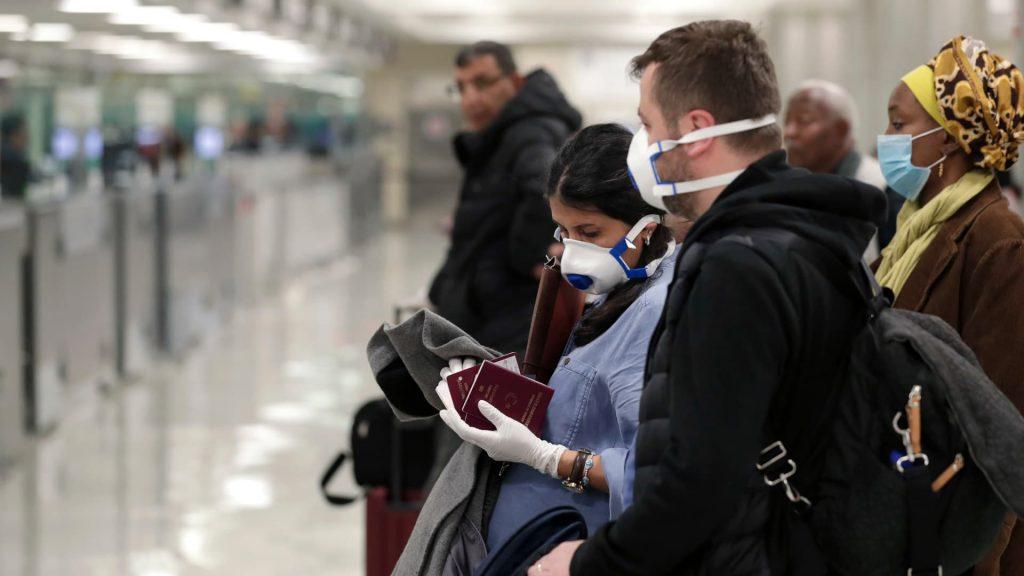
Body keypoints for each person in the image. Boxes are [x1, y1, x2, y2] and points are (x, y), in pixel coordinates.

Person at [532, 20, 886, 575]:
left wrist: (587, 564)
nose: (641, 145)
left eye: (648, 124)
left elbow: (699, 482)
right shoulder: (809, 234)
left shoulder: (736, 267)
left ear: (695, 132)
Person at [434, 123, 677, 552]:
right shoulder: (616, 291)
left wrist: (544, 456)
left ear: (647, 228)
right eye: (563, 232)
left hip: (572, 545)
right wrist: (497, 392)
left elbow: (651, 474)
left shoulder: (652, 314)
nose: (572, 250)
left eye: (590, 232)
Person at [874, 35, 1024, 575]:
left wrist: (976, 559)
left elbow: (1001, 420)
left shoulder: (998, 242)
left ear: (948, 138)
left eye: (899, 125)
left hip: (958, 531)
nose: (886, 140)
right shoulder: (913, 231)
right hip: (910, 503)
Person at [428, 41, 582, 353]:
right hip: (488, 309)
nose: (471, 98)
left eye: (482, 83)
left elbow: (545, 185)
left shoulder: (529, 132)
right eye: (461, 87)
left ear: (514, 82)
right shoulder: (502, 135)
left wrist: (529, 255)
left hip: (505, 318)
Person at [784, 80, 886, 258]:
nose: (789, 132)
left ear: (841, 130)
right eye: (786, 122)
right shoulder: (785, 191)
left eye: (804, 121)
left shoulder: (883, 187)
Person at [1, 113, 32, 200]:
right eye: (24, 131)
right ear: (14, 135)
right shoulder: (13, 160)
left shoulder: (9, 154)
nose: (27, 136)